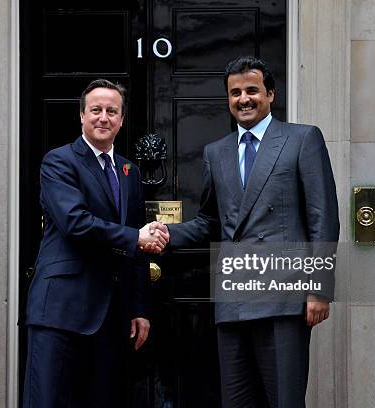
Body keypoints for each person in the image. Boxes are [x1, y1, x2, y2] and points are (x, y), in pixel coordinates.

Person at [147, 56, 340, 407]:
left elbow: (322, 217)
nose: (243, 99)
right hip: (234, 300)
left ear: (271, 94)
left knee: (284, 401)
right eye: (235, 92)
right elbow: (210, 221)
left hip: (283, 298)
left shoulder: (302, 139)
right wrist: (166, 234)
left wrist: (319, 290)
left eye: (252, 90)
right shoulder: (215, 153)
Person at [23, 79, 169, 407]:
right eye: (96, 110)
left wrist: (139, 309)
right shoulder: (58, 162)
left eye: (111, 111)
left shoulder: (129, 171)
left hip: (110, 314)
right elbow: (76, 223)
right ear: (81, 116)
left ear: (121, 119)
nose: (103, 117)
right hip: (60, 310)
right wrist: (137, 237)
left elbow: (135, 248)